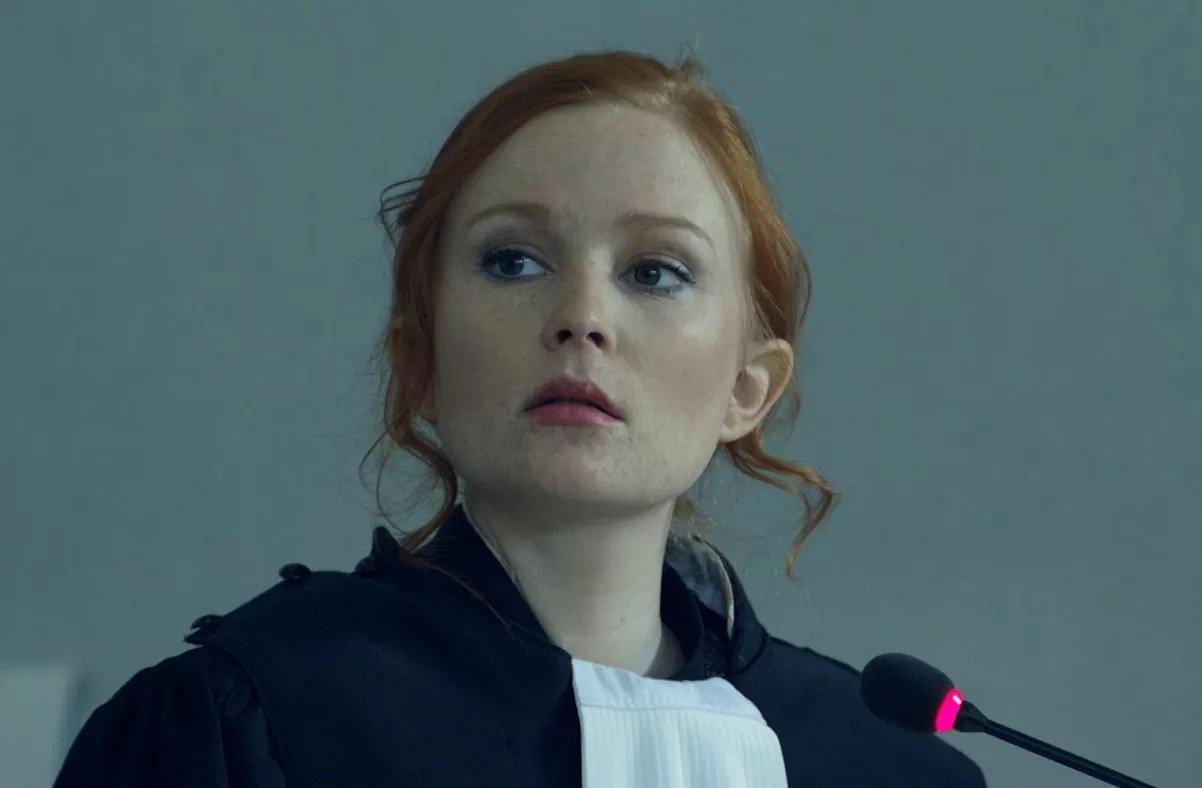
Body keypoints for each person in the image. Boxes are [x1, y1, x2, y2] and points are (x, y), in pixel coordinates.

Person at [54, 49, 987, 787]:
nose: (581, 317)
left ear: (748, 389)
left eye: (655, 271)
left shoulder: (889, 767)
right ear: (420, 359)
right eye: (513, 261)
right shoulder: (242, 722)